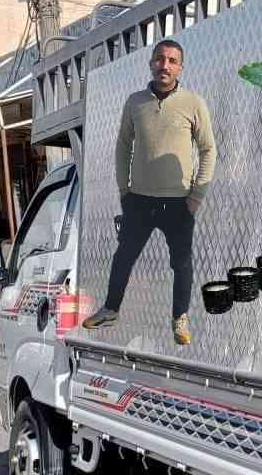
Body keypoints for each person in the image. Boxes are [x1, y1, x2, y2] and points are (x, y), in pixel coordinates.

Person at [83, 39, 216, 346]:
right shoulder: (135, 102)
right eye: (159, 59)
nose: (164, 65)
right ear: (151, 63)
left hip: (179, 202)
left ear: (180, 67)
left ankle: (180, 318)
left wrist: (197, 195)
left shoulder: (193, 103)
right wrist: (124, 190)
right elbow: (123, 145)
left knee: (181, 263)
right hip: (139, 201)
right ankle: (111, 309)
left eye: (172, 60)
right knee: (123, 256)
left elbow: (208, 150)